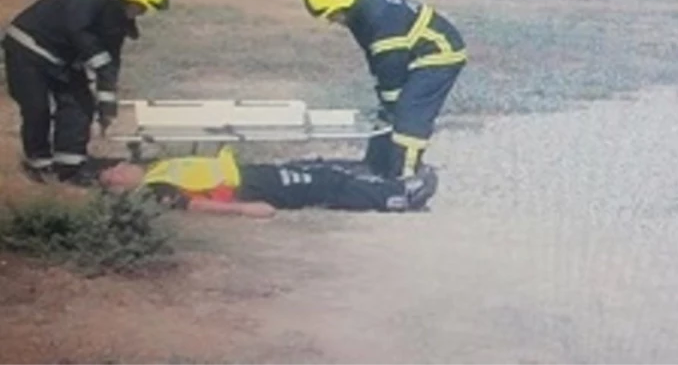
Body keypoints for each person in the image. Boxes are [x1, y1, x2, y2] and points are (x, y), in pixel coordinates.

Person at [2, 0, 169, 185]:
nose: (140, 13)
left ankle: (69, 167)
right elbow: (78, 33)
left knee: (80, 105)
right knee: (36, 108)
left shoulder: (116, 15)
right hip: (28, 50)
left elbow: (110, 59)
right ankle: (38, 163)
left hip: (62, 61)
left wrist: (107, 102)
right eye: (139, 6)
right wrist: (98, 61)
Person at [301, 0, 466, 180]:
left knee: (409, 112)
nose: (333, 21)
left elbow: (391, 64)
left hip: (440, 54)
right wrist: (386, 101)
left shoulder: (376, 15)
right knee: (389, 110)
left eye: (333, 14)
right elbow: (376, 56)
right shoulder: (360, 12)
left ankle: (406, 175)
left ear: (341, 0)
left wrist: (391, 101)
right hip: (415, 53)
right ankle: (376, 165)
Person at [97, 146, 438, 217]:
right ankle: (400, 197)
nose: (121, 167)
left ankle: (390, 188)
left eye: (117, 165)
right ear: (120, 189)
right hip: (250, 189)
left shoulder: (157, 169)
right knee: (320, 187)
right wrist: (245, 210)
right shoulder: (156, 190)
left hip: (251, 174)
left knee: (321, 174)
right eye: (114, 174)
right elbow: (196, 204)